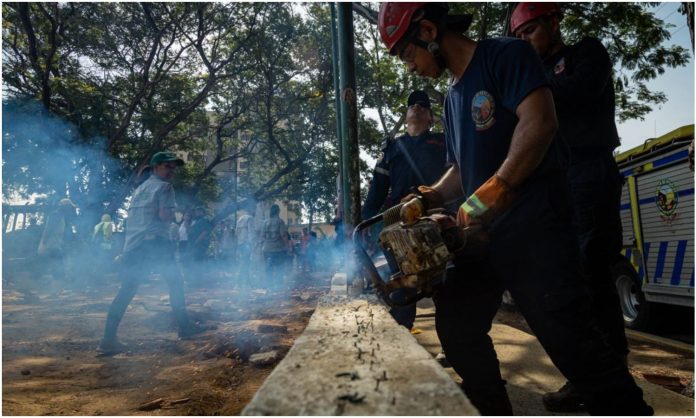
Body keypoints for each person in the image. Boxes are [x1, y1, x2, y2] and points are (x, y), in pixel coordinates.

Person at [377, 3, 652, 416]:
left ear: (429, 30)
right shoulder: (452, 97)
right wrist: (429, 196)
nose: (410, 67)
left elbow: (538, 123)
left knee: (572, 341)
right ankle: (491, 405)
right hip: (482, 239)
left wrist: (497, 188)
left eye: (407, 54)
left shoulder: (506, 55)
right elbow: (458, 167)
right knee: (457, 323)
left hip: (535, 228)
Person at [510, 3, 630, 412]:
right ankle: (592, 376)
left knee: (591, 270)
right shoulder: (533, 73)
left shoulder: (585, 53)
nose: (524, 41)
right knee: (569, 278)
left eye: (529, 32)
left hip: (590, 168)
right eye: (519, 37)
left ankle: (612, 375)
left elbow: (581, 91)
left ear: (553, 22)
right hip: (558, 179)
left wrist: (532, 93)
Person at [98, 151, 209, 355]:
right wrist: (175, 217)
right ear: (156, 166)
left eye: (173, 168)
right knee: (176, 283)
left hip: (133, 247)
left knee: (127, 290)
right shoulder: (165, 187)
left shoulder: (140, 189)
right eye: (168, 166)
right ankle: (185, 329)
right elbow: (165, 216)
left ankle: (108, 339)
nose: (171, 171)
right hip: (155, 245)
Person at [362, 89, 450, 331]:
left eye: (423, 105)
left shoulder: (443, 141)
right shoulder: (392, 147)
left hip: (434, 218)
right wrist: (365, 221)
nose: (417, 106)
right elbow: (378, 189)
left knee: (444, 281)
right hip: (398, 223)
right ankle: (401, 331)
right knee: (402, 279)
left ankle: (453, 340)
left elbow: (455, 177)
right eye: (413, 104)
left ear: (431, 118)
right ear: (406, 113)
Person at [38, 198, 78, 284]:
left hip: (56, 244)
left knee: (59, 264)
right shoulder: (55, 215)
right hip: (52, 245)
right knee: (58, 265)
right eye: (69, 208)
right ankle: (56, 286)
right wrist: (44, 242)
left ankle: (57, 285)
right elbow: (49, 229)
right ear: (65, 207)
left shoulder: (61, 216)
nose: (71, 210)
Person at [261, 204, 291, 287]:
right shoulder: (280, 221)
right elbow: (284, 235)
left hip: (266, 249)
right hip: (278, 249)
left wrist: (268, 241)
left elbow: (262, 236)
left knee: (268, 268)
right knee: (279, 268)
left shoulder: (265, 222)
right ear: (278, 211)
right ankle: (278, 285)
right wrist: (288, 246)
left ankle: (269, 286)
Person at [236, 201, 256, 287]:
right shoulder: (250, 218)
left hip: (240, 244)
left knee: (244, 262)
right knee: (245, 263)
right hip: (247, 244)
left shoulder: (240, 219)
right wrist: (252, 244)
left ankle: (247, 282)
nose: (255, 211)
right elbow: (251, 233)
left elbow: (236, 233)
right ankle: (239, 282)